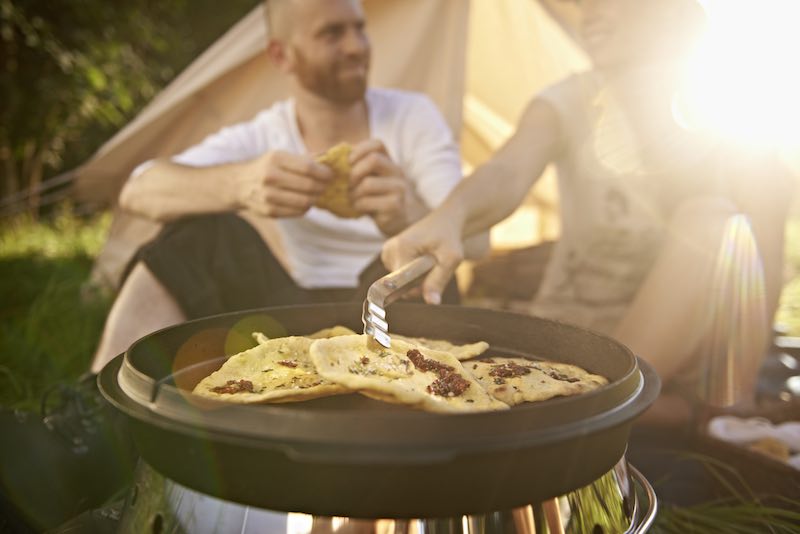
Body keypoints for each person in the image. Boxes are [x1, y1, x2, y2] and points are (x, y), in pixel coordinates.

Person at [382, 0, 794, 424]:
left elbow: (762, 258)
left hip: (677, 357)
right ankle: (653, 411)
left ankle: (633, 409)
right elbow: (507, 170)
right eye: (585, 4)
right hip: (573, 341)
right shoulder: (570, 101)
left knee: (712, 220)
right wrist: (452, 215)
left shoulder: (724, 117)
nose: (589, 13)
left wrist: (740, 391)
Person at [90, 0, 484, 373]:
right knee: (195, 237)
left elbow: (479, 242)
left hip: (390, 299)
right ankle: (99, 406)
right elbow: (138, 190)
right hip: (289, 306)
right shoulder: (266, 134)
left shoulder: (412, 117)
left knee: (423, 270)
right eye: (332, 33)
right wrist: (241, 184)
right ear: (281, 55)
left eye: (359, 29)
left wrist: (410, 214)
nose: (355, 47)